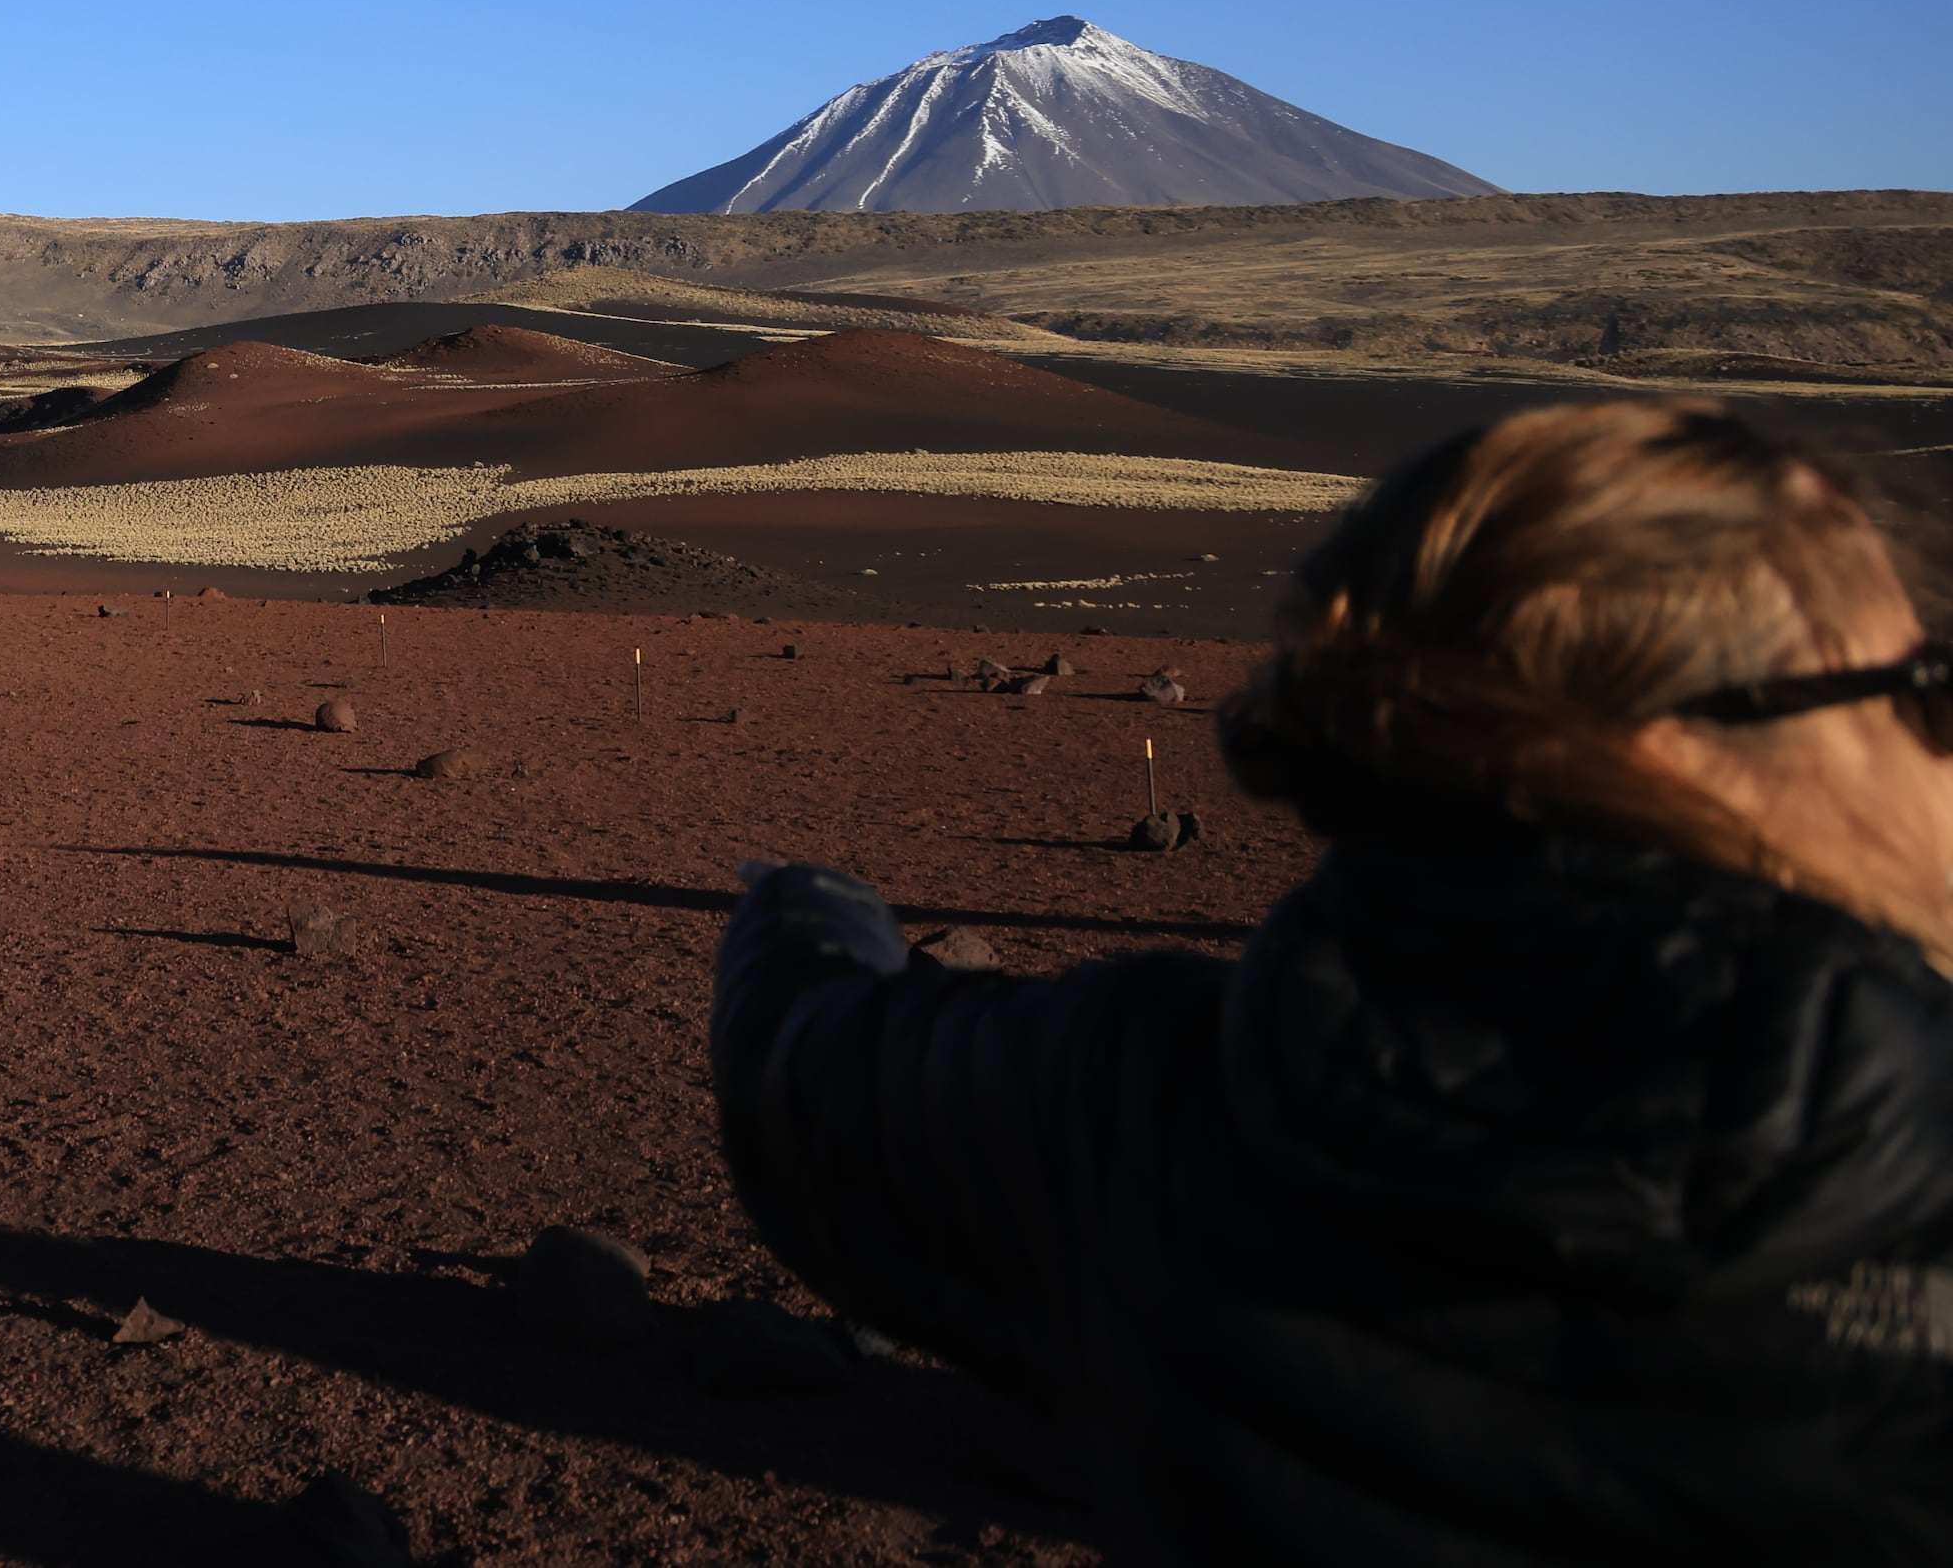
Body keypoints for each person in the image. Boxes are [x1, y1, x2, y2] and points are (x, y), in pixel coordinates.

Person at [711, 399, 1953, 1564]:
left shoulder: (1144, 1102)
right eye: (1921, 691)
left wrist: (803, 906)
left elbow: (806, 1078)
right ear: (1690, 734)